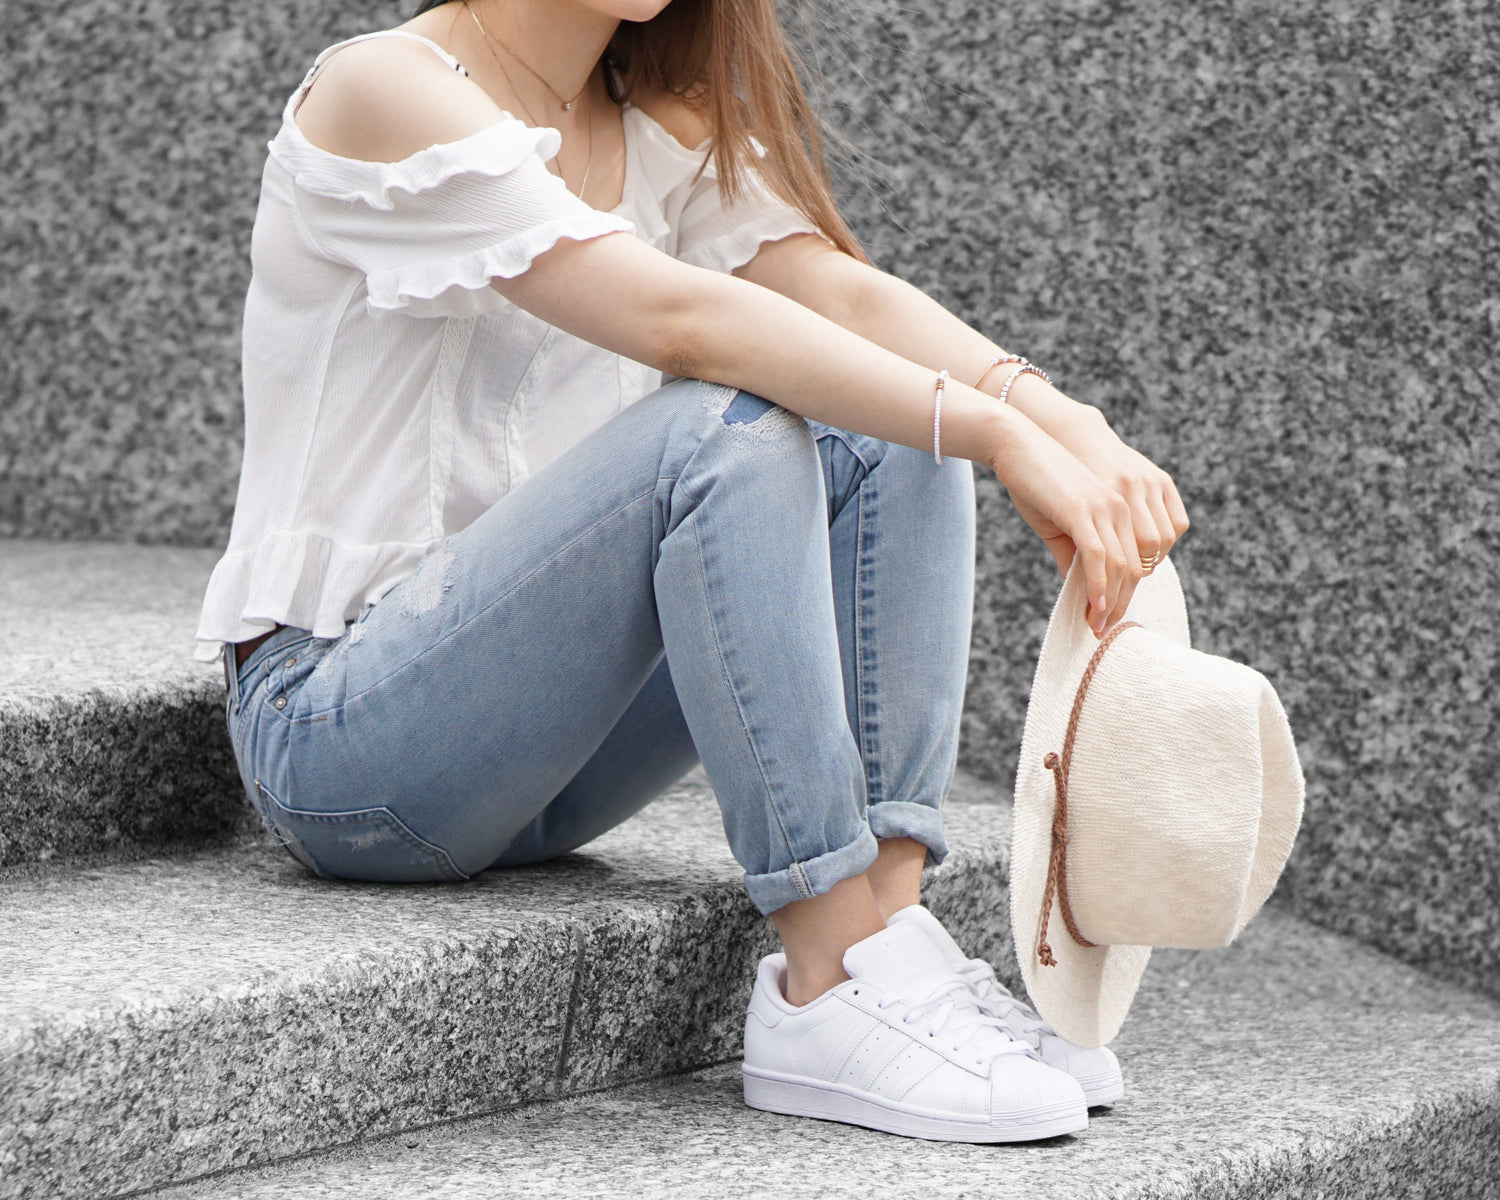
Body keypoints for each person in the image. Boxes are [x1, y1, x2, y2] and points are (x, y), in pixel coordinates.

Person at [194, 0, 1189, 1144]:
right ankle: (823, 976)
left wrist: (1067, 421)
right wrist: (1004, 440)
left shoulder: (647, 117)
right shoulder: (384, 89)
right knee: (723, 428)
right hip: (342, 737)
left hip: (550, 753)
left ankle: (886, 949)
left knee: (890, 423)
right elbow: (678, 320)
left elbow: (847, 299)